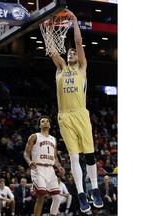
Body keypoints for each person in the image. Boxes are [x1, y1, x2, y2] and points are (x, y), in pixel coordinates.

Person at [49, 8, 103, 213]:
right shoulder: (60, 69)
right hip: (64, 116)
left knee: (89, 154)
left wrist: (75, 21)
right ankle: (81, 194)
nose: (72, 53)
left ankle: (95, 189)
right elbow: (53, 50)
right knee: (73, 157)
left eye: (74, 53)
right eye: (69, 52)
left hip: (81, 113)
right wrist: (46, 25)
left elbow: (78, 42)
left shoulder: (82, 68)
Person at [23, 115, 65, 216]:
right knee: (41, 195)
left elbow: (55, 157)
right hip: (38, 167)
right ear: (39, 125)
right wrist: (29, 162)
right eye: (42, 121)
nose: (45, 122)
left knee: (57, 198)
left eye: (47, 121)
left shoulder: (53, 139)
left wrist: (59, 167)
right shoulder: (34, 136)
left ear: (50, 125)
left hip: (50, 169)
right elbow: (26, 153)